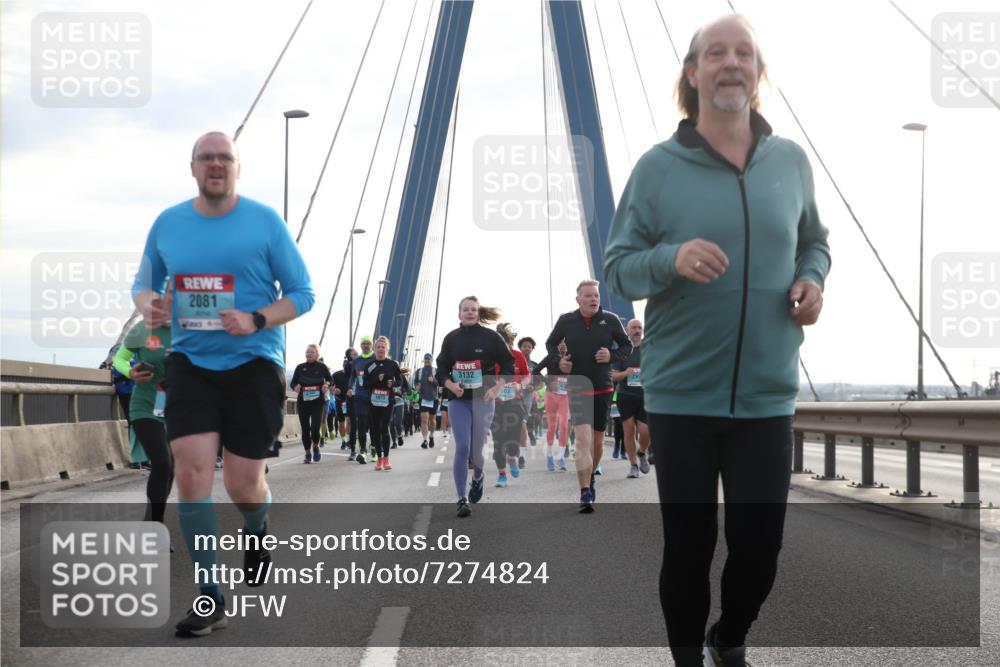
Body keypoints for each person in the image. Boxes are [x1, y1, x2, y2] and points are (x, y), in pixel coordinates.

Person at [604, 15, 831, 667]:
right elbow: (618, 265)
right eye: (716, 53)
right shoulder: (657, 169)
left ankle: (728, 634)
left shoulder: (790, 162)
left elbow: (814, 240)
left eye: (744, 53)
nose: (731, 62)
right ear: (693, 73)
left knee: (761, 547)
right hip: (682, 397)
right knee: (689, 544)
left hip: (766, 396)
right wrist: (670, 258)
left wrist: (812, 280)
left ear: (757, 73)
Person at [132, 130, 314, 637]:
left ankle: (257, 529)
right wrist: (151, 305)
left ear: (238, 168)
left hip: (254, 364)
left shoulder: (264, 222)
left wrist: (257, 318)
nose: (216, 164)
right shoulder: (168, 224)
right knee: (191, 476)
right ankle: (211, 596)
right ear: (192, 167)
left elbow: (303, 294)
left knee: (241, 485)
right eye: (206, 158)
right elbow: (143, 283)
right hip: (190, 363)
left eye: (225, 158)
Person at [543, 280, 630, 512]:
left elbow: (627, 346)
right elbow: (550, 343)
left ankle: (591, 477)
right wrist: (558, 361)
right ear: (578, 299)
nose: (594, 299)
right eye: (588, 296)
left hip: (602, 387)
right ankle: (584, 492)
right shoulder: (566, 320)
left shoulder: (610, 320)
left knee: (598, 442)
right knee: (582, 440)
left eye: (596, 296)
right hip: (578, 387)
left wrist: (611, 355)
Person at [436, 296, 514, 517]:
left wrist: (497, 387)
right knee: (462, 447)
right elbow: (441, 370)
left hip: (483, 399)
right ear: (459, 314)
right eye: (465, 310)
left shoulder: (492, 338)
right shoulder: (451, 339)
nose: (470, 313)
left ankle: (478, 477)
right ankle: (461, 498)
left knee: (476, 453)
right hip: (458, 400)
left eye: (473, 310)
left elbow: (508, 364)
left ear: (479, 313)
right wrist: (450, 384)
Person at [113, 319, 173, 524]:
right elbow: (119, 359)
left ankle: (152, 518)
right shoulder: (142, 329)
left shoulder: (193, 328)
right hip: (145, 406)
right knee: (162, 464)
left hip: (177, 408)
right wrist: (130, 372)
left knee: (171, 468)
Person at [490, 323, 531, 488]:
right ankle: (501, 474)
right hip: (495, 403)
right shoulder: (489, 358)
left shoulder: (517, 356)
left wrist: (519, 385)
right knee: (498, 440)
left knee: (513, 438)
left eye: (503, 342)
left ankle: (513, 457)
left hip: (514, 401)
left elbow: (527, 376)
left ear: (509, 342)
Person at [610, 319, 651, 478]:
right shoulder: (621, 350)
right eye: (633, 327)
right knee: (629, 430)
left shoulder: (648, 349)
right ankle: (633, 465)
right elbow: (613, 376)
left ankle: (642, 452)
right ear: (627, 330)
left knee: (645, 431)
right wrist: (626, 373)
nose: (637, 330)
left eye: (639, 327)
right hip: (625, 395)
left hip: (645, 395)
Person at [360, 336, 403, 471]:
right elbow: (364, 384)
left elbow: (401, 381)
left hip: (387, 401)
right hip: (373, 401)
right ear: (374, 349)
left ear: (387, 349)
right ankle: (379, 459)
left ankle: (387, 459)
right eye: (378, 347)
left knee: (384, 428)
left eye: (383, 347)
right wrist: (376, 381)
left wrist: (393, 383)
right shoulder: (370, 366)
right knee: (375, 430)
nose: (380, 349)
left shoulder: (392, 364)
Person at [290, 344, 332, 464]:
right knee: (305, 428)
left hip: (317, 401)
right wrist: (295, 387)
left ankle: (316, 445)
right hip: (303, 401)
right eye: (307, 352)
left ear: (317, 354)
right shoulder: (300, 367)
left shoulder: (322, 367)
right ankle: (307, 453)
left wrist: (326, 385)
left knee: (315, 427)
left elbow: (330, 380)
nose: (309, 354)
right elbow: (293, 383)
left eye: (312, 352)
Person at [347, 337, 375, 463]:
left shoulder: (375, 358)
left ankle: (374, 448)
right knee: (361, 423)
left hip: (374, 396)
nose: (365, 346)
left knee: (374, 424)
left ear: (371, 345)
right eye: (363, 343)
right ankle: (363, 450)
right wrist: (349, 388)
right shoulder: (357, 361)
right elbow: (353, 376)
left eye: (368, 343)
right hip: (360, 395)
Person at [414, 353, 439, 448]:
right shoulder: (419, 371)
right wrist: (417, 386)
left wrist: (434, 381)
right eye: (425, 359)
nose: (427, 360)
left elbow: (441, 383)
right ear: (424, 360)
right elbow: (415, 382)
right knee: (424, 419)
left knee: (432, 420)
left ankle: (431, 436)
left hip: (434, 398)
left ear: (432, 360)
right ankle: (425, 440)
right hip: (423, 398)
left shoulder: (436, 371)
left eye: (429, 359)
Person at [331, 348, 354, 450]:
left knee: (349, 420)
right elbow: (330, 385)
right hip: (340, 401)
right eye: (346, 365)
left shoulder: (353, 375)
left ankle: (348, 439)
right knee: (341, 422)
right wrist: (334, 389)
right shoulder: (336, 375)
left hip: (350, 400)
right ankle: (344, 440)